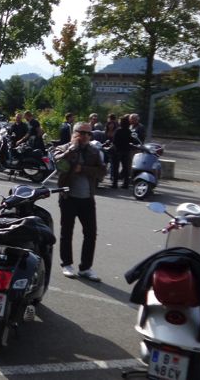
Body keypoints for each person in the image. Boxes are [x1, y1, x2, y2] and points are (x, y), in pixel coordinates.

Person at [54, 122, 106, 282]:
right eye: (82, 132)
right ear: (74, 133)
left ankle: (85, 268)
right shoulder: (63, 148)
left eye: (88, 133)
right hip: (68, 197)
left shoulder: (94, 151)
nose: (85, 136)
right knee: (66, 232)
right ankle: (67, 264)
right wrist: (72, 149)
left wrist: (82, 169)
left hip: (87, 198)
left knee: (90, 233)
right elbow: (58, 164)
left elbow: (102, 172)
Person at [112, 115, 137, 189]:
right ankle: (125, 184)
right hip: (127, 151)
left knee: (116, 168)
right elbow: (132, 141)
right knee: (126, 168)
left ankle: (115, 183)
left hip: (117, 151)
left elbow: (114, 141)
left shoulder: (118, 131)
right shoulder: (129, 131)